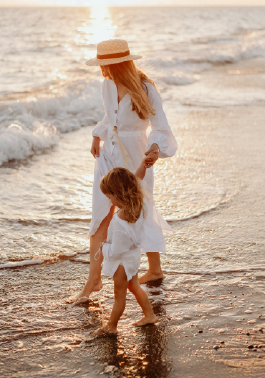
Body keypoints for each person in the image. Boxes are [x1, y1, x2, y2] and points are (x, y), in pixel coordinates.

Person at [73, 39, 178, 304]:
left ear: (119, 65)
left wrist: (155, 147)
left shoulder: (146, 88)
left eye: (106, 66)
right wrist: (96, 134)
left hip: (136, 154)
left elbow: (161, 126)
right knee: (101, 213)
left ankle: (155, 270)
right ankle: (93, 280)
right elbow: (110, 118)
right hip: (108, 154)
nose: (103, 71)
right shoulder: (107, 85)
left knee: (139, 211)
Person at [91, 166, 158, 336]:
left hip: (122, 262)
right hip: (133, 257)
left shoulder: (121, 221)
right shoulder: (139, 205)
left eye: (110, 197)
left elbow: (116, 251)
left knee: (119, 295)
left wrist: (103, 247)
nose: (110, 201)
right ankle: (149, 315)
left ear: (119, 194)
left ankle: (112, 326)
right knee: (135, 287)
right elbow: (134, 180)